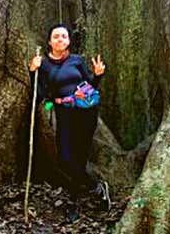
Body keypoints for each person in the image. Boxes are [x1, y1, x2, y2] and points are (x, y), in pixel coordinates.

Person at [29, 23, 112, 222]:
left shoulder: (77, 60)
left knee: (80, 158)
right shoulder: (44, 64)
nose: (60, 39)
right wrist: (33, 72)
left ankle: (74, 202)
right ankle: (95, 187)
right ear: (49, 41)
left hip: (86, 112)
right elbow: (39, 95)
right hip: (64, 113)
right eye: (56, 36)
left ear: (68, 41)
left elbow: (89, 85)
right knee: (65, 159)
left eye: (64, 36)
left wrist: (97, 76)